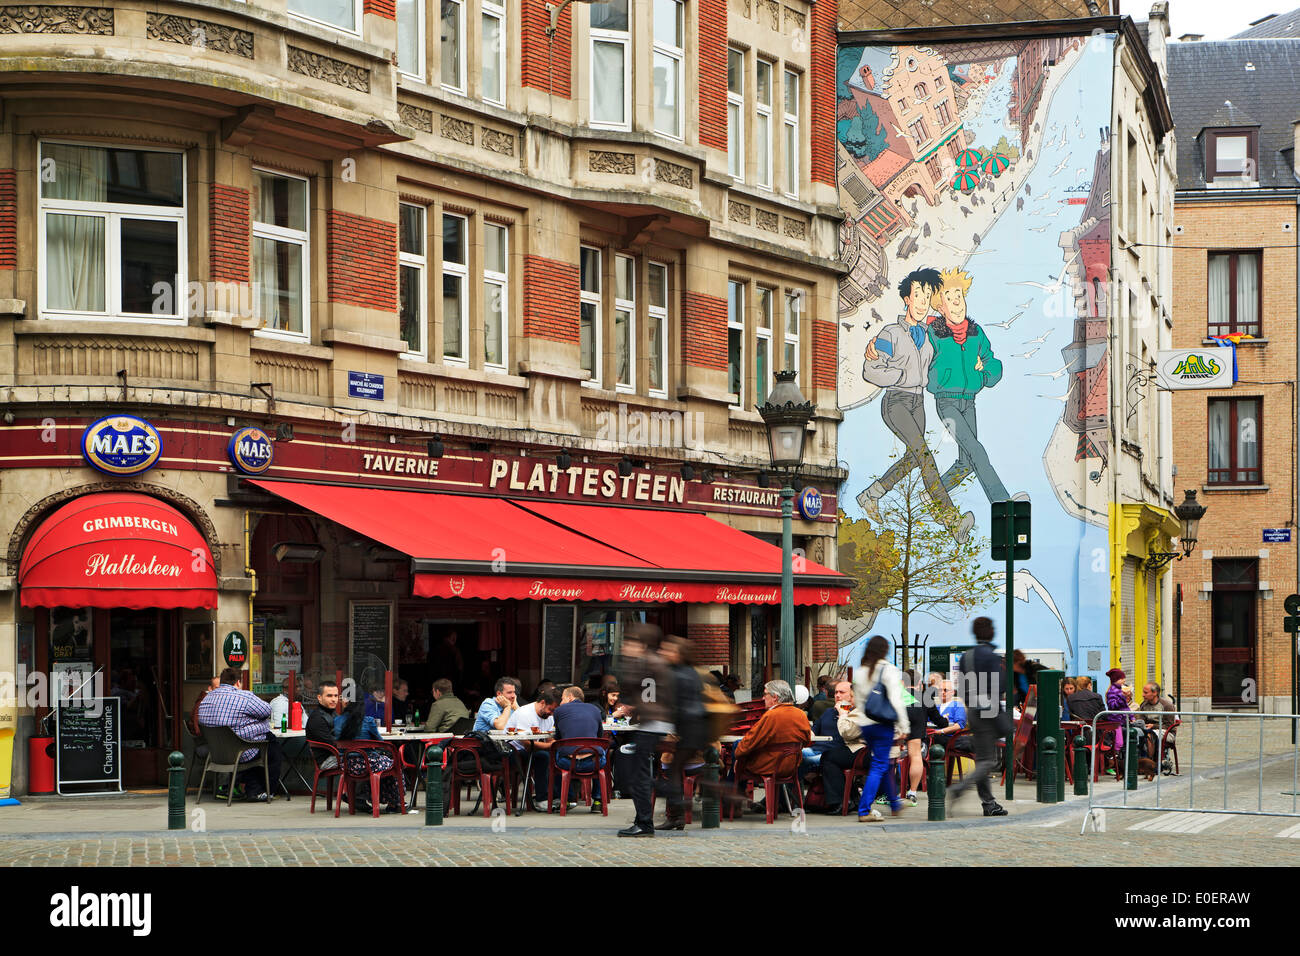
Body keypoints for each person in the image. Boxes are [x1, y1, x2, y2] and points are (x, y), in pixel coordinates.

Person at [859, 267, 973, 541]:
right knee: (924, 456)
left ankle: (870, 494)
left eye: (927, 295)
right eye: (918, 294)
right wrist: (899, 375)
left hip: (918, 402)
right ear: (907, 299)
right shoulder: (891, 334)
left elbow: (949, 346)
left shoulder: (930, 336)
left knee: (914, 458)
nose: (922, 300)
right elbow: (870, 369)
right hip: (895, 401)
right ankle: (950, 518)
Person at [616, 623, 672, 837]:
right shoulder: (657, 662)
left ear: (640, 644)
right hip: (657, 723)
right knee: (640, 775)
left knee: (638, 777)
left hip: (652, 724)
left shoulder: (645, 663)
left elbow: (648, 695)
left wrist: (636, 708)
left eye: (628, 643)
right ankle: (644, 819)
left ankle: (645, 823)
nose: (624, 648)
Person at [948, 618, 1008, 817]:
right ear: (990, 632)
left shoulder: (967, 656)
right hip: (989, 709)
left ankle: (989, 803)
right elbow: (1000, 686)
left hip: (973, 709)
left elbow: (962, 686)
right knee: (988, 761)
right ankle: (960, 788)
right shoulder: (991, 657)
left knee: (983, 758)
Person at [196, 667, 283, 802]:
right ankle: (267, 790)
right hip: (241, 752)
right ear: (237, 683)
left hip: (216, 753)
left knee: (252, 743)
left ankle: (254, 790)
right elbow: (267, 710)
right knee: (270, 745)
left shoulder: (206, 699)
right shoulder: (244, 696)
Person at [733, 679, 812, 818]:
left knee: (738, 751)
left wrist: (738, 755)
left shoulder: (770, 715)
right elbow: (807, 741)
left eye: (765, 694)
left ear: (775, 697)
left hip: (769, 765)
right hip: (791, 766)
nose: (763, 698)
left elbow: (748, 743)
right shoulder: (800, 714)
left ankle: (731, 804)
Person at [850, 637, 908, 822]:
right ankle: (864, 810)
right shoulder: (889, 670)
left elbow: (859, 702)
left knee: (881, 763)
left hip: (866, 724)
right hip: (883, 724)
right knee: (879, 766)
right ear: (885, 650)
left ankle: (895, 803)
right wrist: (903, 725)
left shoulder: (860, 672)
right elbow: (896, 700)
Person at [655, 634, 707, 830]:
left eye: (667, 650)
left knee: (672, 769)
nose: (663, 652)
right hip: (696, 727)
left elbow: (673, 704)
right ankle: (677, 816)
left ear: (677, 654)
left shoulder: (675, 674)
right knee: (675, 769)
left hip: (687, 728)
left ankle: (678, 811)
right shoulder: (692, 672)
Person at [335, 701, 403, 813]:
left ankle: (365, 798)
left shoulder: (337, 721)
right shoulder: (368, 721)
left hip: (346, 765)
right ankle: (395, 802)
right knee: (395, 764)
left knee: (380, 763)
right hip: (367, 765)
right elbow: (380, 741)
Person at [506, 686, 561, 811]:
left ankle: (558, 796)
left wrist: (556, 745)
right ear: (542, 703)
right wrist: (551, 746)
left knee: (558, 756)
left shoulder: (549, 717)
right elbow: (525, 743)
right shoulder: (525, 713)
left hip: (530, 750)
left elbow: (548, 739)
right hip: (513, 750)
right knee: (544, 757)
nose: (551, 713)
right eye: (550, 709)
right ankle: (542, 799)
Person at [814, 680, 860, 813]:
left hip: (849, 751)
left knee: (826, 758)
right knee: (796, 756)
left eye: (842, 692)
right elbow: (814, 729)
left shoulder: (855, 713)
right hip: (816, 748)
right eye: (836, 692)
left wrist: (843, 713)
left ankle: (839, 802)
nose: (838, 695)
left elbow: (846, 734)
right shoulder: (828, 712)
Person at [1137, 681, 1177, 763]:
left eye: (1145, 692)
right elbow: (1141, 720)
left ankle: (1150, 762)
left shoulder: (1166, 705)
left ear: (1155, 693)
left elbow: (1169, 725)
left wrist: (1153, 726)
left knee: (1149, 735)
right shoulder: (1143, 705)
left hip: (1167, 732)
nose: (1143, 695)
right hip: (1148, 729)